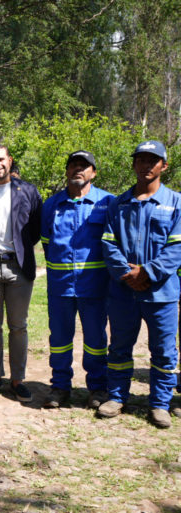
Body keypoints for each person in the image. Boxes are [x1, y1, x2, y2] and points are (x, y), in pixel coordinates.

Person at [98, 141, 181, 428]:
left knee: (163, 350)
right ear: (133, 164)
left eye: (153, 160)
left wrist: (147, 272)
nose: (146, 165)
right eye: (141, 160)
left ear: (164, 166)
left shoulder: (176, 203)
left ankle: (159, 403)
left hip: (162, 292)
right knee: (120, 345)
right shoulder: (118, 204)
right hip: (123, 292)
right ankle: (117, 397)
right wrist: (127, 274)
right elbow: (108, 244)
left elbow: (177, 247)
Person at [41, 151, 112, 409]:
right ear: (67, 171)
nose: (78, 170)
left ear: (93, 172)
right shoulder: (52, 205)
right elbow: (47, 243)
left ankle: (97, 388)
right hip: (60, 287)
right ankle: (60, 387)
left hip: (94, 286)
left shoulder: (107, 203)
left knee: (95, 341)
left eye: (84, 166)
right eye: (73, 166)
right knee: (59, 340)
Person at [0, 144, 42, 402]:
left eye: (1, 159)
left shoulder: (29, 191)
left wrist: (20, 251)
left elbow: (34, 228)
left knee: (19, 326)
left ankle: (18, 379)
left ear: (10, 161)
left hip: (18, 267)